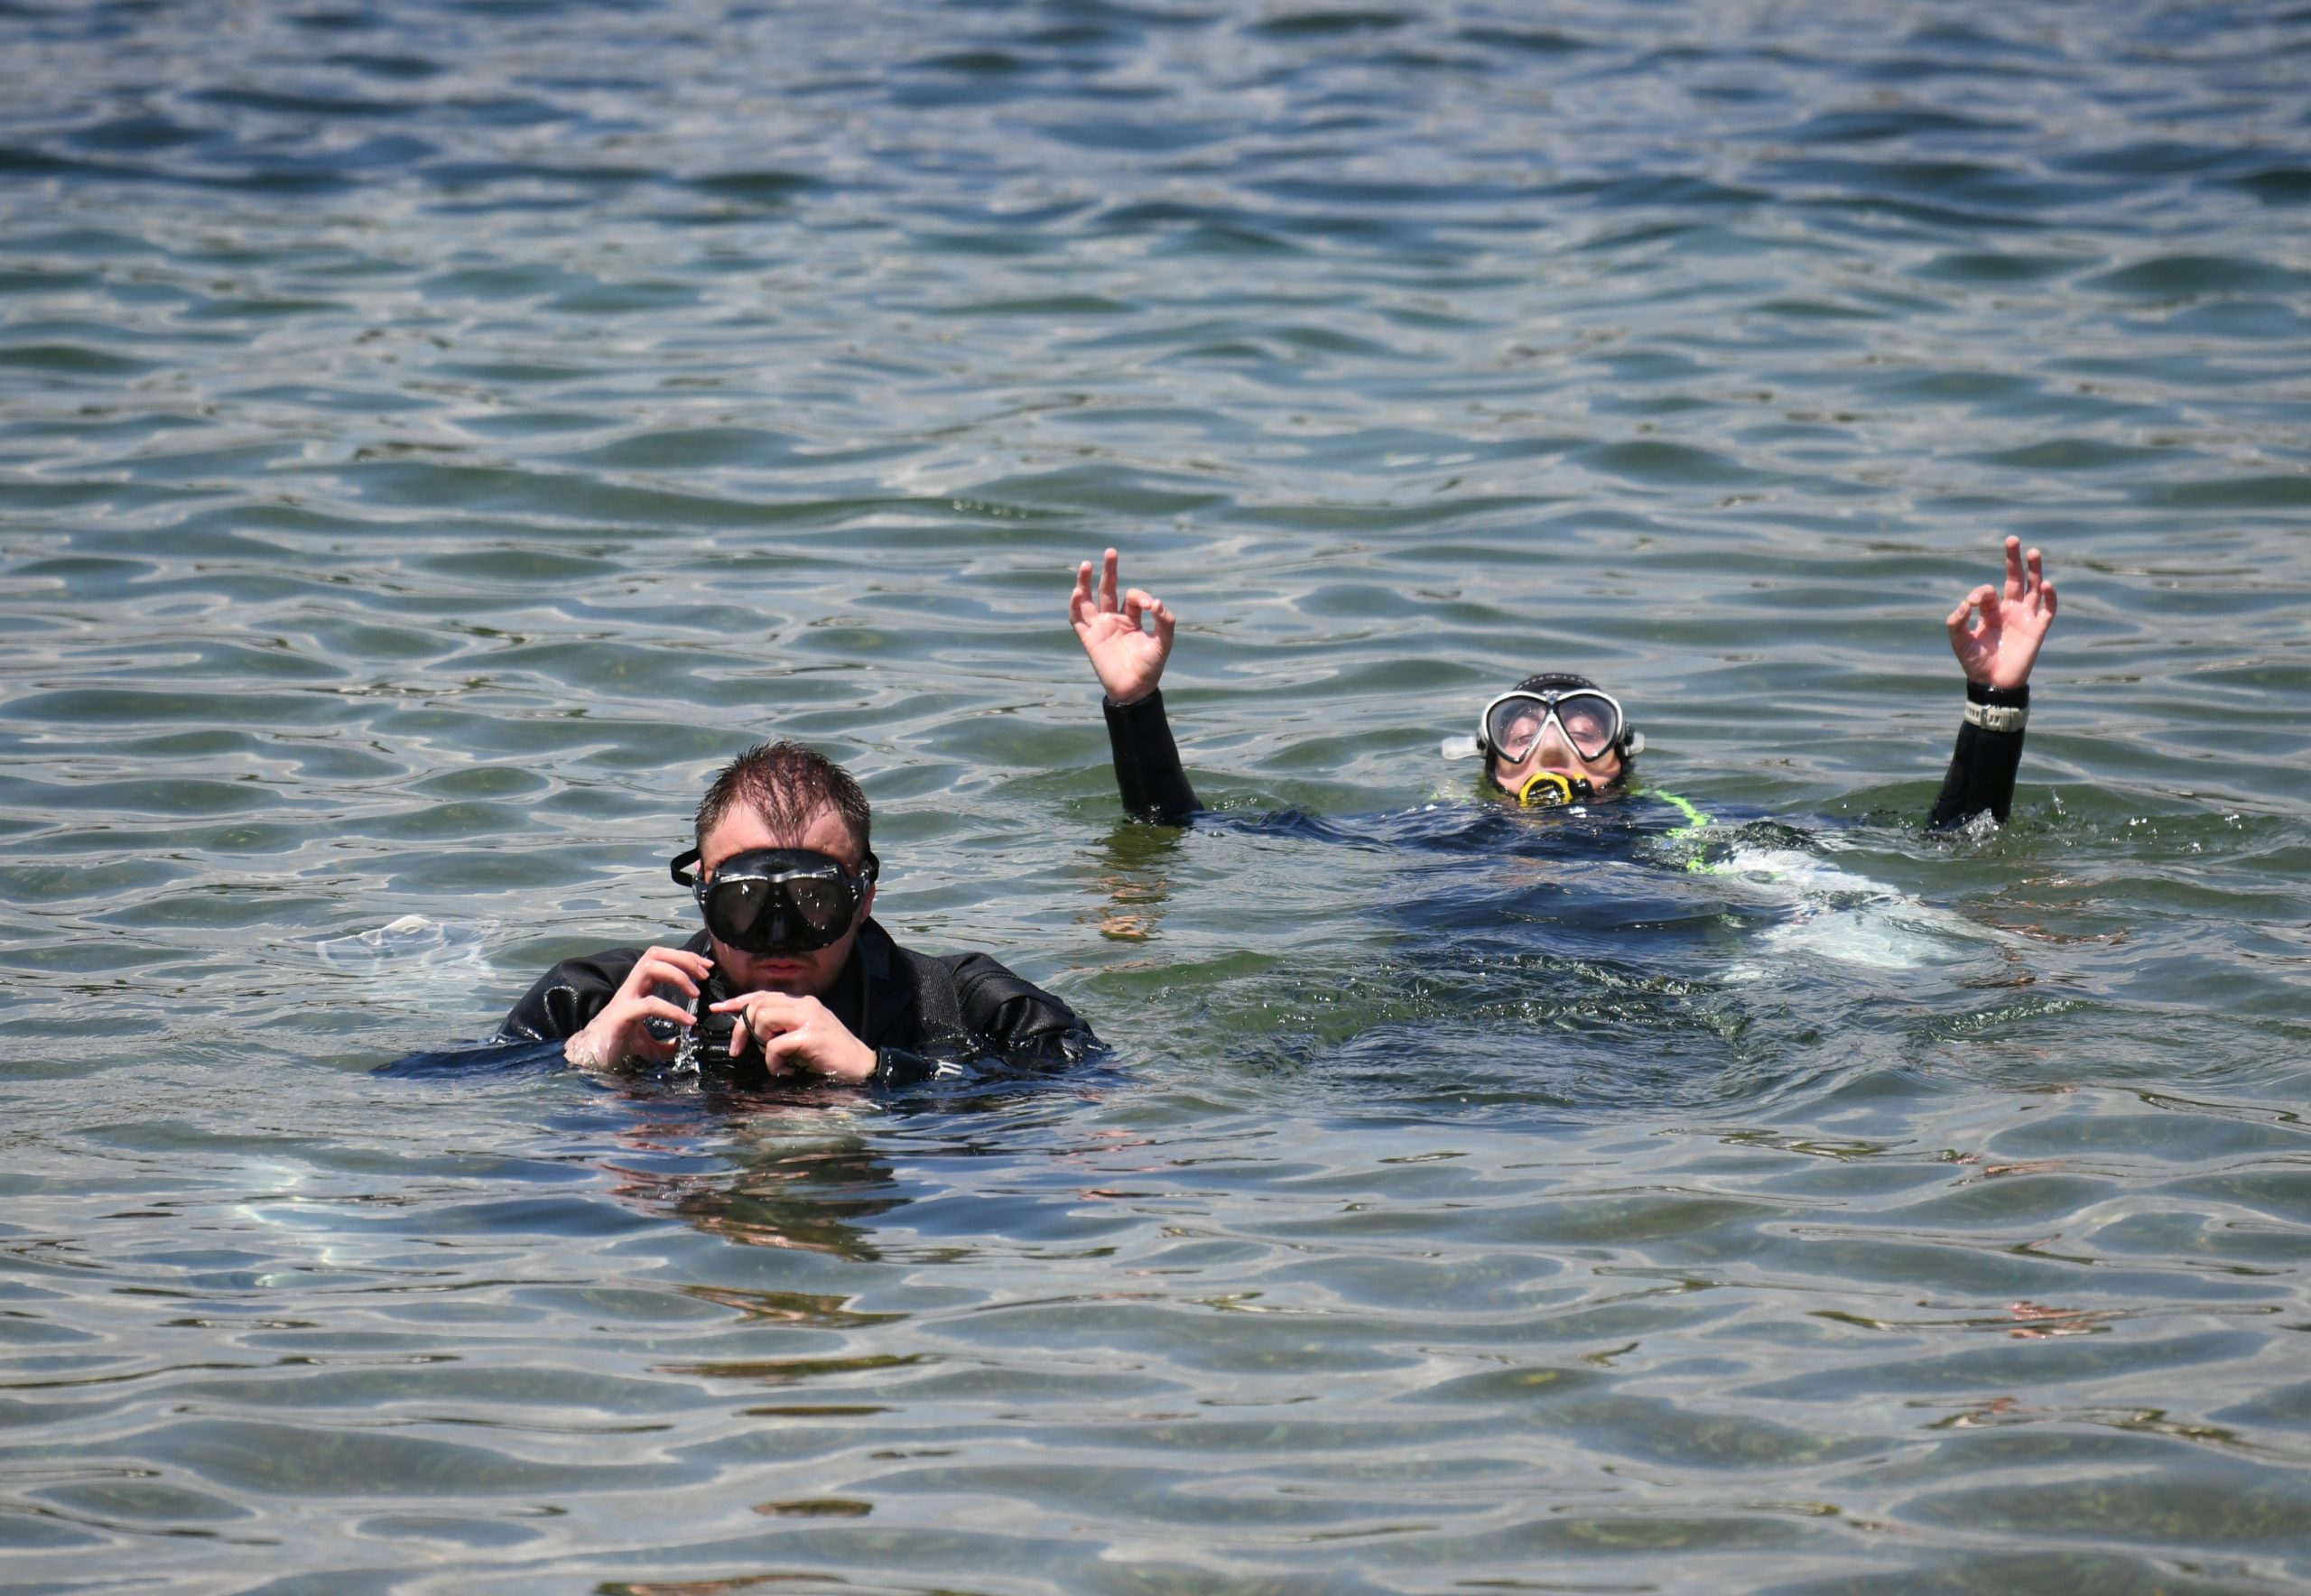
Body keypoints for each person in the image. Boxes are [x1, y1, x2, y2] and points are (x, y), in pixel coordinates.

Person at [1069, 539, 2056, 832]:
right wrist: (1134, 703)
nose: (1550, 741)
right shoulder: (1422, 832)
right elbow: (1176, 829)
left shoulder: (1688, 834)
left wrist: (1994, 704)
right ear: (1486, 764)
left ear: (1623, 759)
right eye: (1520, 724)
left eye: (1585, 723)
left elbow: (1954, 840)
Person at [496, 740, 1097, 1087]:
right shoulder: (590, 1003)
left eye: (815, 902)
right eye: (746, 902)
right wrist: (576, 1064)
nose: (778, 937)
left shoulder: (973, 1008)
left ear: (864, 898)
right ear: (702, 892)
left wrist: (880, 1071)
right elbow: (433, 1101)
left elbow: (1107, 1109)